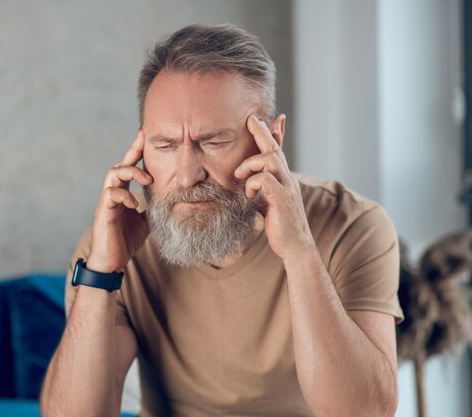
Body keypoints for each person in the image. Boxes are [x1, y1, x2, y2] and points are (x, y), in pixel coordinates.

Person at [39, 24, 404, 417]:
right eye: (165, 146)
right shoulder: (112, 249)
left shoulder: (352, 224)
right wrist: (101, 273)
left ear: (272, 141)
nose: (186, 173)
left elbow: (363, 412)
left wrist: (299, 251)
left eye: (212, 142)